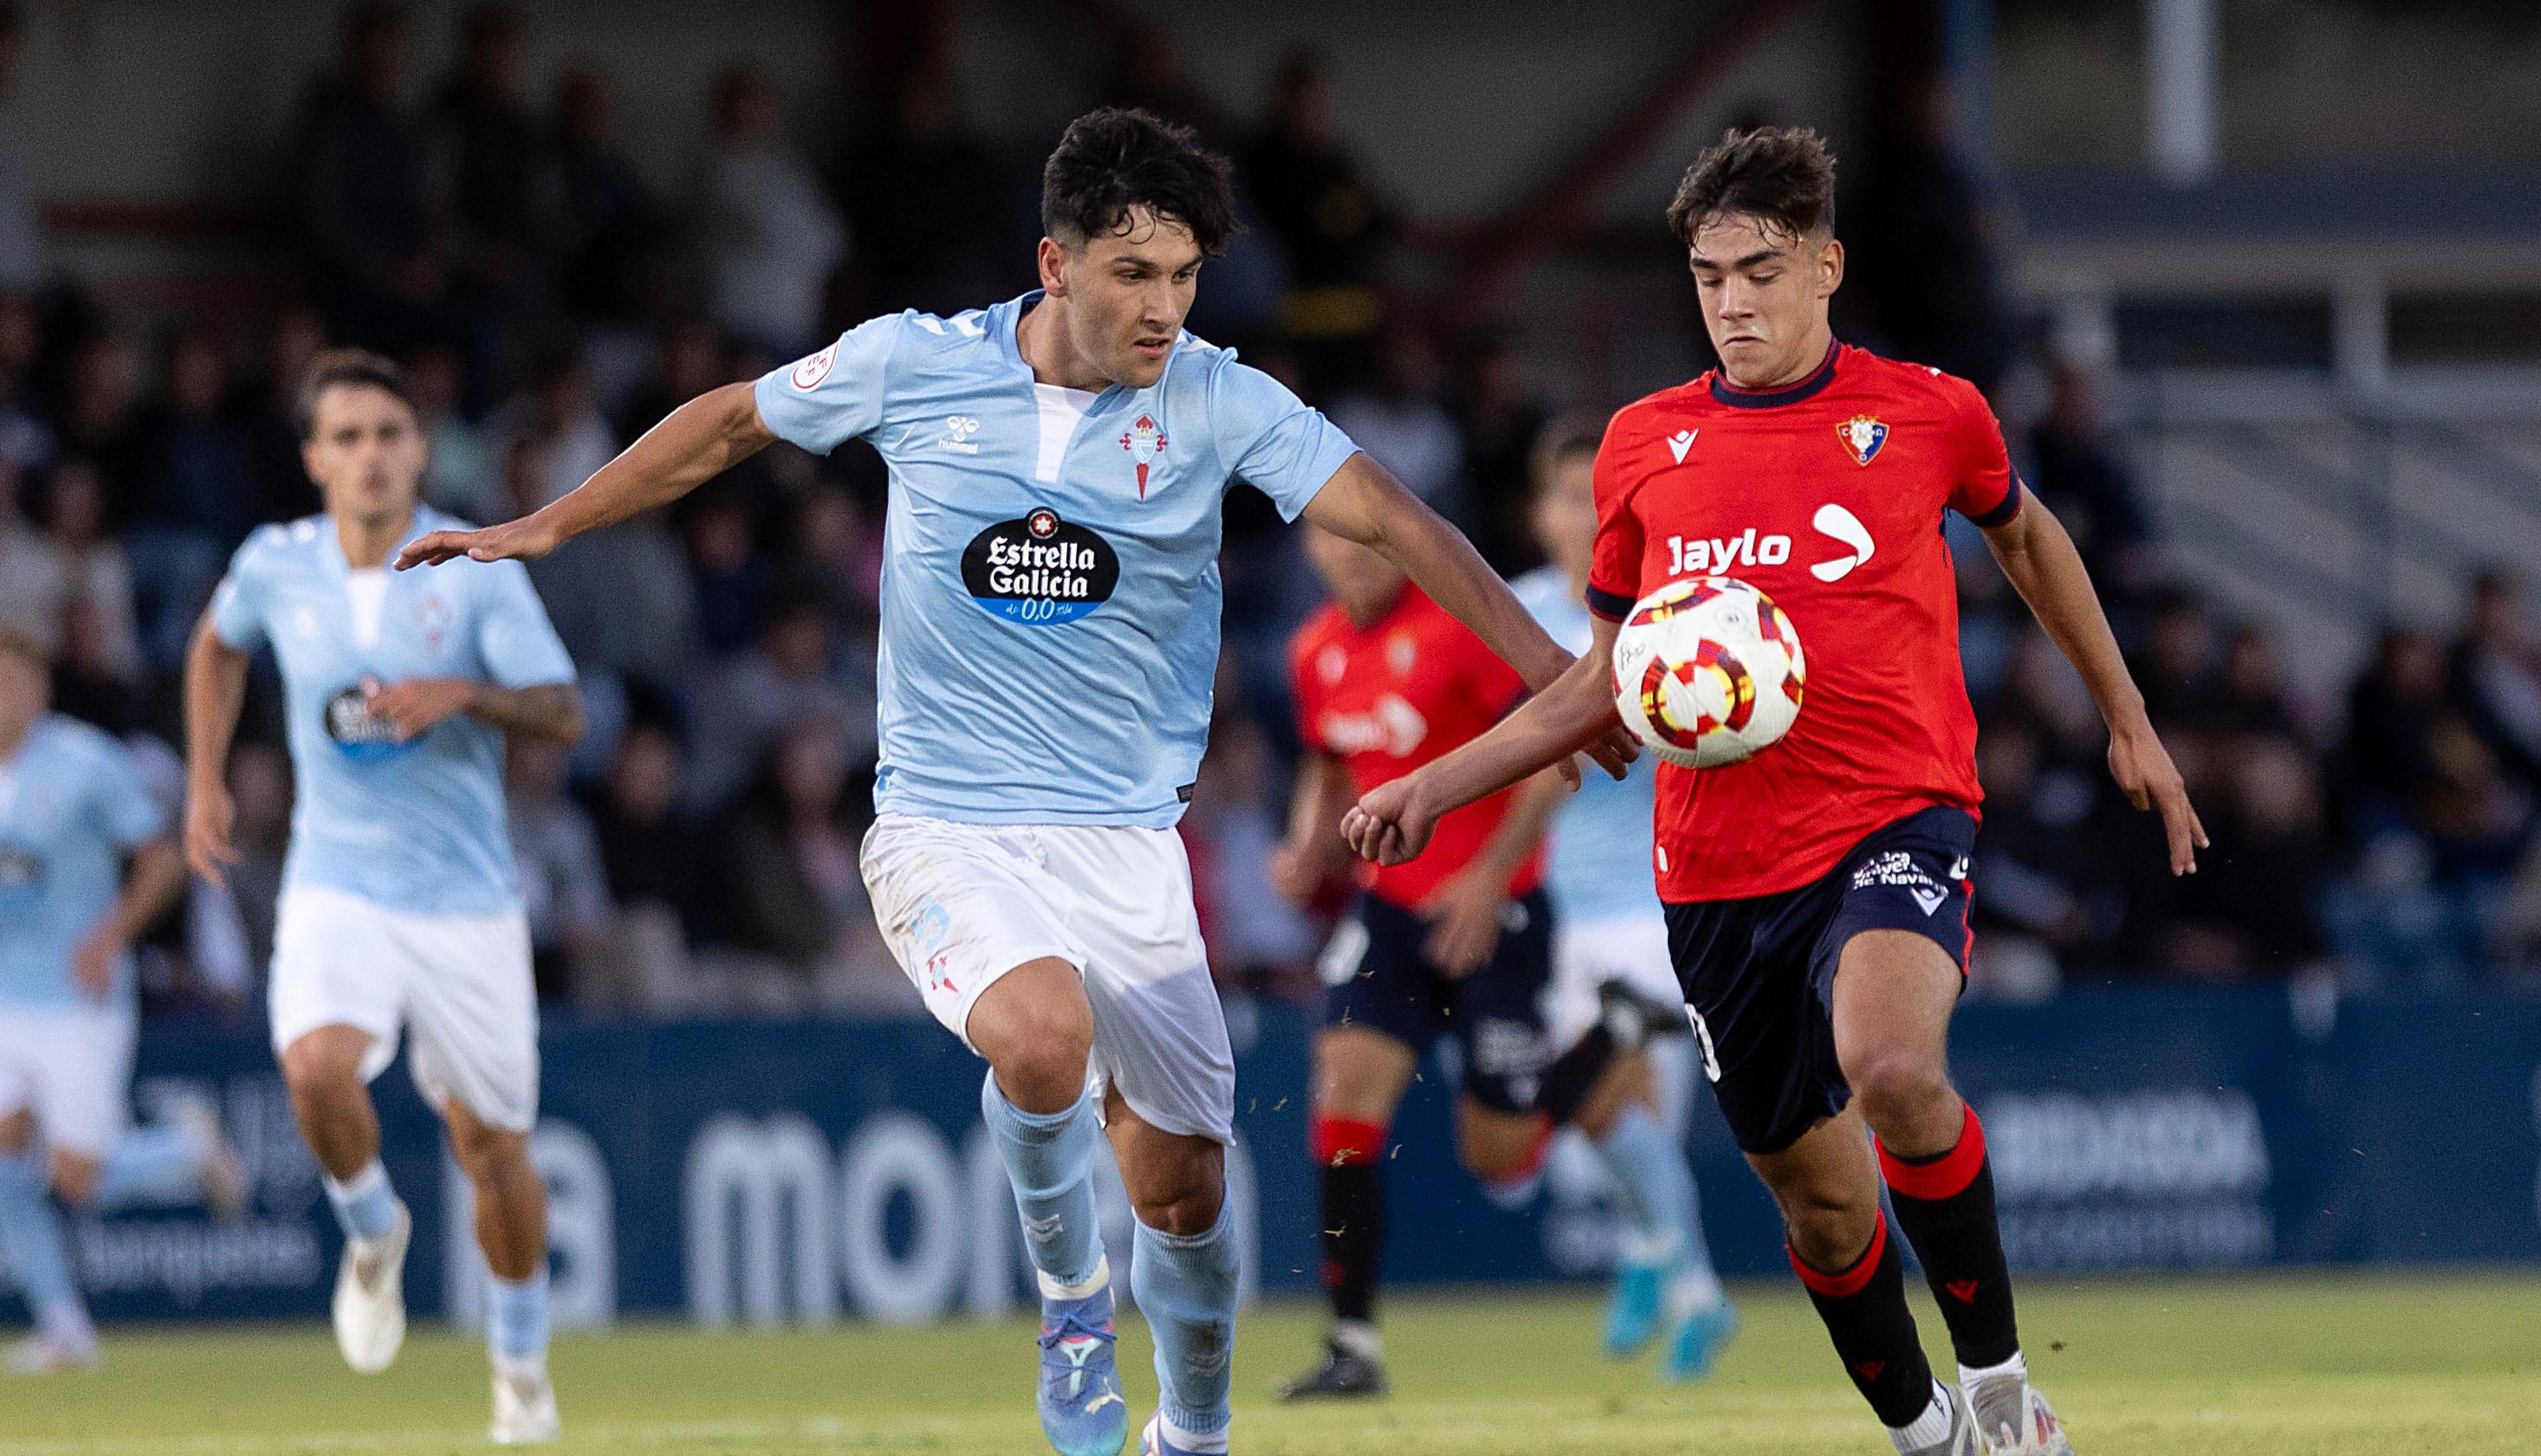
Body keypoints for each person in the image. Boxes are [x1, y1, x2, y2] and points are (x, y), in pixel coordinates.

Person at [398, 107, 1621, 1456]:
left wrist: (1559, 674)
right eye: (1133, 274)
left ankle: (1193, 1432)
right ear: (1055, 263)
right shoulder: (913, 364)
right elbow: (731, 425)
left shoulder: (1215, 398)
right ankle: (1069, 1300)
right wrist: (551, 522)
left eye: (1184, 276)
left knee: (1186, 1191)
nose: (1164, 308)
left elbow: (1394, 517)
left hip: (1128, 848)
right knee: (1041, 1043)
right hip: (944, 824)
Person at [1339, 127, 2204, 1456]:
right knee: (1821, 1208)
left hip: (1897, 813)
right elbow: (1604, 680)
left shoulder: (1928, 412)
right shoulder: (1642, 445)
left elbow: (2026, 533)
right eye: (1708, 278)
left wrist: (2127, 719)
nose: (1733, 302)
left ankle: (1996, 1390)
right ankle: (1927, 1433)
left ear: (1825, 268)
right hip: (1719, 870)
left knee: (1894, 1063)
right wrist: (1432, 784)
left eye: (1759, 271)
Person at [183, 351, 584, 1443]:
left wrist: (468, 692)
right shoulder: (276, 561)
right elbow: (215, 648)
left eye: (389, 434)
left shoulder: (473, 564)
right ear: (315, 457)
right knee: (313, 1064)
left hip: (465, 901)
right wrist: (205, 776)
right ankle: (372, 1232)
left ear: (419, 449)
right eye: (348, 436)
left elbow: (563, 713)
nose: (371, 454)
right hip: (336, 882)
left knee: (492, 1149)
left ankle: (517, 1366)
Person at [1268, 526, 1711, 1401]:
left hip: (1496, 911)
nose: (1348, 551)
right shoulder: (1312, 649)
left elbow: (1556, 750)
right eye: (1327, 535)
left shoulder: (1453, 629)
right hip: (1388, 913)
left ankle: (1609, 1032)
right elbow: (1329, 765)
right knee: (1340, 1102)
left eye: (1360, 534)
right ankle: (1351, 1344)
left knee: (1501, 1163)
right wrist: (1303, 847)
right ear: (1310, 549)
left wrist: (1484, 878)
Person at [1507, 417, 1735, 1380]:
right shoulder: (1512, 615)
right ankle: (1673, 1269)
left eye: (1601, 498)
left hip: (1649, 907)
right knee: (1594, 1113)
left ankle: (1678, 1278)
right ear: (1538, 512)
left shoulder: (1660, 620)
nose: (1585, 515)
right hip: (1548, 909)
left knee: (1607, 1093)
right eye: (1568, 496)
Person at [0, 626, 244, 1374]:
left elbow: (162, 860)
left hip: (81, 997)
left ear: (40, 687)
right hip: (7, 995)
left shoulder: (86, 762)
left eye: (15, 680)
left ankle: (184, 1152)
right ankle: (65, 1325)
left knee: (78, 1178)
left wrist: (112, 933)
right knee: (4, 1157)